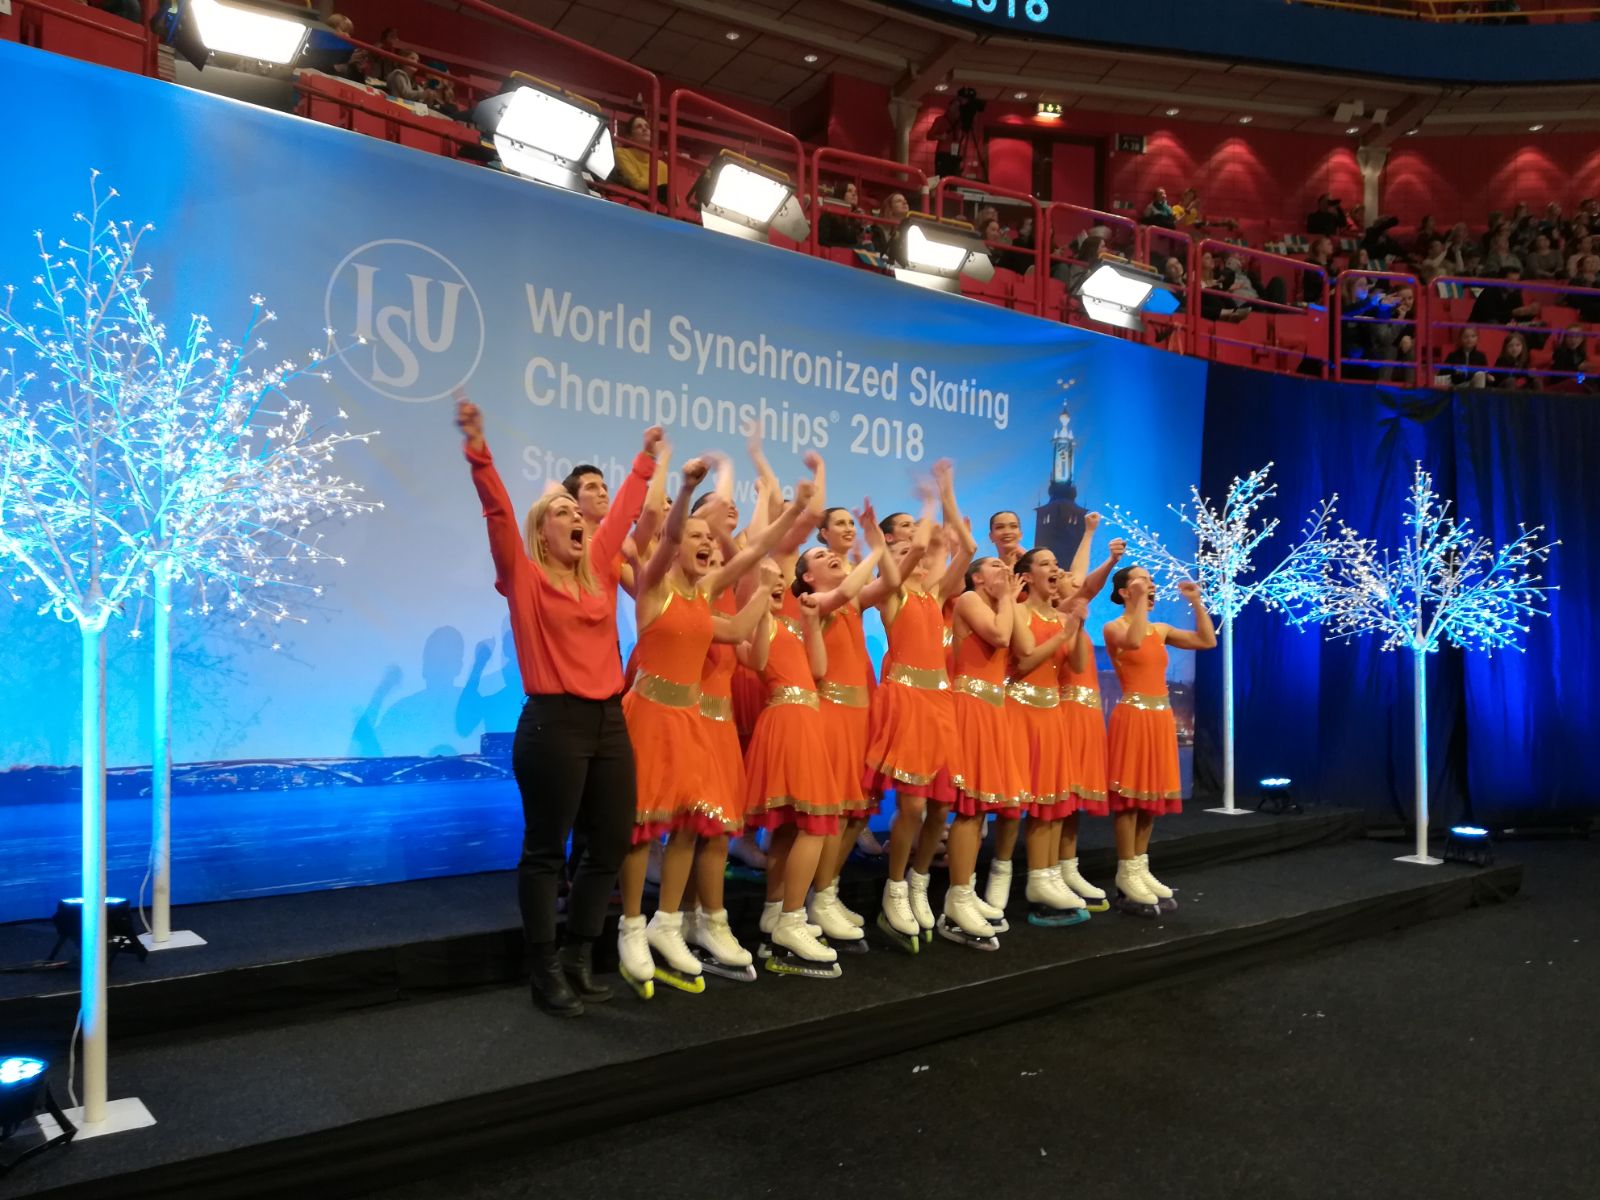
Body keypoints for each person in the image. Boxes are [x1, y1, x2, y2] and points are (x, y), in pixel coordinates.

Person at [456, 394, 661, 1017]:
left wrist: (645, 463)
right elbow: (495, 510)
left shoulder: (599, 570)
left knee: (610, 842)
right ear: (543, 528)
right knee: (547, 851)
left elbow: (623, 514)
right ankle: (543, 967)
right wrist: (478, 450)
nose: (578, 517)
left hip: (606, 720)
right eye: (564, 511)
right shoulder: (523, 575)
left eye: (581, 511)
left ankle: (579, 954)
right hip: (553, 723)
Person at [617, 463, 810, 998]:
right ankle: (631, 926)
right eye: (696, 537)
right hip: (650, 716)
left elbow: (750, 557)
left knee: (686, 824)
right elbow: (672, 529)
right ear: (675, 544)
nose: (706, 544)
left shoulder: (705, 595)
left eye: (709, 539)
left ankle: (668, 922)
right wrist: (681, 487)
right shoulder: (653, 586)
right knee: (641, 828)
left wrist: (793, 511)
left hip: (691, 721)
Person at [861, 472, 970, 953]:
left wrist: (944, 495)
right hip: (906, 700)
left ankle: (922, 880)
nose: (923, 557)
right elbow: (898, 562)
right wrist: (926, 510)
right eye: (914, 553)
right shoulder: (895, 593)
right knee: (913, 803)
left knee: (943, 803)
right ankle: (895, 887)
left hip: (941, 702)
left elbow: (965, 550)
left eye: (926, 554)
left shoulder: (937, 596)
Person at [738, 561, 845, 977]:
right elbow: (758, 660)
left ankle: (775, 910)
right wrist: (761, 605)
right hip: (787, 719)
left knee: (788, 826)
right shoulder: (755, 624)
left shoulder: (791, 625)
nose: (778, 580)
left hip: (807, 719)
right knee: (817, 822)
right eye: (766, 575)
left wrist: (812, 624)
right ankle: (792, 921)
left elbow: (818, 671)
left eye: (780, 576)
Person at [791, 513, 894, 946]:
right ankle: (816, 897)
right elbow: (853, 584)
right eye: (820, 555)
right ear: (807, 578)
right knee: (829, 815)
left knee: (855, 810)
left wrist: (877, 545)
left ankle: (828, 892)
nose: (831, 557)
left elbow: (889, 581)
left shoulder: (850, 601)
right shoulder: (814, 604)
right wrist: (870, 546)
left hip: (859, 715)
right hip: (830, 716)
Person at [1102, 566, 1215, 918]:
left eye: (1150, 581)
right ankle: (1125, 871)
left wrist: (1197, 603)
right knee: (1130, 799)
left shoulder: (1161, 630)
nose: (1150, 584)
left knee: (1151, 798)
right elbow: (1134, 641)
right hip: (1133, 716)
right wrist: (1137, 604)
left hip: (1159, 716)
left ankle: (1140, 867)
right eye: (1141, 580)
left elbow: (1206, 641)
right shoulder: (1115, 627)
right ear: (1123, 591)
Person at [1002, 547, 1091, 927]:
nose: (1055, 569)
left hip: (1051, 712)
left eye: (1057, 564)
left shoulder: (1060, 617)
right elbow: (1024, 659)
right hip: (1019, 712)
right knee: (1021, 800)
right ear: (1026, 576)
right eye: (1046, 564)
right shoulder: (1017, 612)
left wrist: (1076, 626)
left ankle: (1047, 876)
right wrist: (1062, 634)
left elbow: (1081, 664)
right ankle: (1005, 879)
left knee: (1053, 800)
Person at [612, 114, 669, 202]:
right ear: (629, 137)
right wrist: (659, 187)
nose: (645, 129)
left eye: (647, 126)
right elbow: (636, 183)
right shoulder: (621, 153)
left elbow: (674, 198)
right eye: (639, 126)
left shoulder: (662, 166)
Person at [818, 181, 870, 248]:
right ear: (841, 194)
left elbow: (857, 241)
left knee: (868, 245)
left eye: (855, 192)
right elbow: (822, 241)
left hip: (850, 253)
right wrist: (847, 248)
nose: (854, 194)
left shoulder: (855, 219)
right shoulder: (829, 215)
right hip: (833, 253)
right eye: (849, 191)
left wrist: (861, 225)